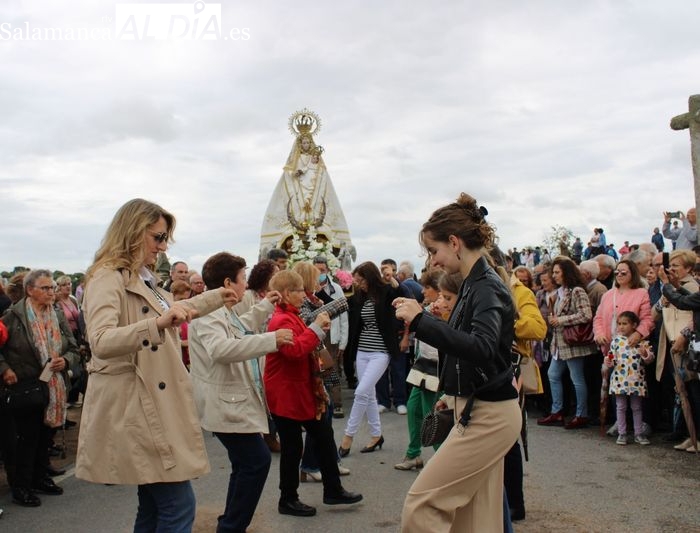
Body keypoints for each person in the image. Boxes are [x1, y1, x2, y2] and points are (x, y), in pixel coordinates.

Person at [76, 198, 238, 532]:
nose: (163, 247)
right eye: (158, 238)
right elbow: (101, 341)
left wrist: (216, 297)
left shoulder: (141, 277)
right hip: (138, 405)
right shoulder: (108, 277)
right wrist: (157, 326)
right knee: (178, 506)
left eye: (165, 239)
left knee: (153, 507)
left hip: (150, 403)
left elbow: (172, 309)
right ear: (133, 233)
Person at [395, 193, 521, 532]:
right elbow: (477, 350)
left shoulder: (485, 287)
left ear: (454, 242)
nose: (433, 261)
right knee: (476, 520)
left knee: (422, 504)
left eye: (434, 251)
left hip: (489, 414)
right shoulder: (475, 284)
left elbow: (481, 347)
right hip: (479, 407)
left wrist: (421, 321)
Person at [188, 252, 291, 533]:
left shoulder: (221, 308)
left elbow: (238, 330)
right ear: (227, 282)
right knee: (256, 462)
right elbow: (221, 349)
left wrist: (264, 308)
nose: (245, 284)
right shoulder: (209, 312)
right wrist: (271, 339)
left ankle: (231, 524)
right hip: (225, 403)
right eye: (242, 279)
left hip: (230, 401)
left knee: (245, 464)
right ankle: (232, 526)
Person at [264, 269, 362, 517]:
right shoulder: (281, 320)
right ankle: (289, 498)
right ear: (287, 293)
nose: (304, 295)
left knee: (322, 436)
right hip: (287, 393)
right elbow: (294, 351)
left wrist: (318, 329)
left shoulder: (290, 315)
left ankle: (332, 489)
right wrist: (317, 328)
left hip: (299, 391)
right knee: (293, 447)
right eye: (298, 291)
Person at [0, 269, 80, 507]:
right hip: (25, 386)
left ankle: (40, 477)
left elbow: (73, 348)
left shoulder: (57, 314)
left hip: (54, 385)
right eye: (45, 288)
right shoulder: (12, 316)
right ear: (29, 290)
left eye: (52, 287)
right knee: (26, 439)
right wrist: (5, 369)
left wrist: (65, 360)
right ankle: (21, 487)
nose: (50, 292)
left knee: (46, 435)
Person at [338, 261, 404, 455]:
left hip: (381, 352)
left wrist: (392, 280)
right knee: (369, 395)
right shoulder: (359, 296)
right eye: (357, 281)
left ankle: (348, 436)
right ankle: (376, 435)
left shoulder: (385, 292)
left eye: (361, 280)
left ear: (370, 277)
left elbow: (405, 296)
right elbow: (343, 305)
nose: (359, 284)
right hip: (362, 351)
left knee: (361, 393)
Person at [394, 270, 456, 472]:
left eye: (426, 287)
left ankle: (443, 460)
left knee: (433, 413)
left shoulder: (445, 306)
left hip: (436, 366)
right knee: (414, 409)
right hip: (422, 364)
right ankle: (414, 454)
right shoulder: (430, 306)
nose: (422, 290)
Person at [537, 256, 596, 429]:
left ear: (566, 272)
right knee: (553, 375)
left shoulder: (577, 290)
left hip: (572, 342)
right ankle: (557, 412)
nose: (554, 276)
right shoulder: (559, 292)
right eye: (553, 272)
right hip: (559, 343)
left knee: (576, 378)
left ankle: (581, 414)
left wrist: (561, 320)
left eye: (557, 272)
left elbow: (586, 314)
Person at [605, 311, 655, 446]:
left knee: (637, 407)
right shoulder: (616, 341)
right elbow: (611, 356)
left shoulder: (641, 342)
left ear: (634, 325)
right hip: (620, 380)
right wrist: (609, 361)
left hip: (636, 380)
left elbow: (649, 360)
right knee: (620, 407)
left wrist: (645, 354)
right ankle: (622, 433)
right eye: (619, 324)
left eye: (624, 324)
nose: (621, 327)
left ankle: (638, 433)